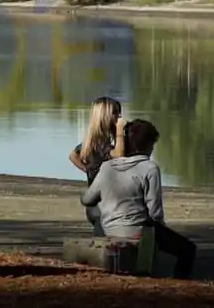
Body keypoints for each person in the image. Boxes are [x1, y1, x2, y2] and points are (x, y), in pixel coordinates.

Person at [80, 118, 197, 280]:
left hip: (109, 229)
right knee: (188, 249)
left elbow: (87, 200)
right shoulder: (150, 168)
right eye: (152, 145)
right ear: (148, 145)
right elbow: (155, 213)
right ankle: (178, 282)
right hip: (138, 231)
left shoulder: (107, 167)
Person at [68, 96, 124, 237]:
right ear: (105, 117)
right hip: (102, 207)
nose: (119, 117)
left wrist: (88, 170)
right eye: (115, 113)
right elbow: (118, 155)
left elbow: (73, 155)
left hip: (97, 205)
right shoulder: (100, 144)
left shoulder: (91, 142)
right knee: (105, 243)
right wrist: (119, 132)